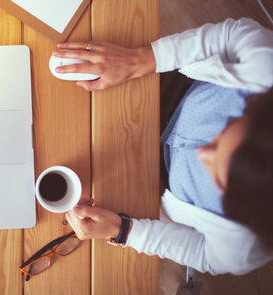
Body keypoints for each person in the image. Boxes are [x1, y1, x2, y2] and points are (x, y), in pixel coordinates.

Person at [52, 18, 273, 275]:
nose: (202, 154)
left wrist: (122, 231)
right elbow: (231, 36)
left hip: (155, 183)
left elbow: (205, 255)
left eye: (219, 182)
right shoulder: (266, 69)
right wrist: (138, 60)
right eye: (224, 132)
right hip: (171, 91)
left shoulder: (244, 250)